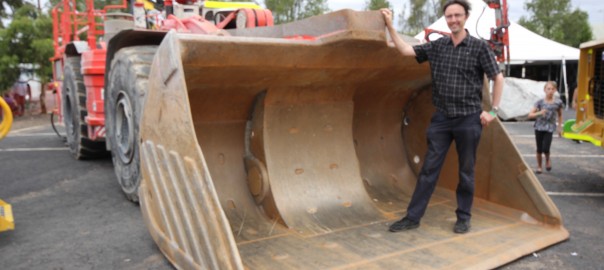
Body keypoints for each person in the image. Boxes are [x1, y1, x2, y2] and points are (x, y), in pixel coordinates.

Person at [381, 0, 504, 234]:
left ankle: (463, 217)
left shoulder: (479, 48)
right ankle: (412, 217)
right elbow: (406, 50)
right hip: (442, 119)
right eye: (449, 16)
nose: (453, 20)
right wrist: (390, 26)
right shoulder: (438, 46)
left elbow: (497, 77)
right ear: (445, 19)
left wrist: (493, 111)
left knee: (466, 172)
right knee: (429, 169)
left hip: (469, 119)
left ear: (466, 16)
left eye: (457, 15)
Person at [527, 81, 563, 174]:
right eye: (548, 89)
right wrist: (539, 113)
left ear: (555, 90)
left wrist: (560, 127)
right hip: (539, 127)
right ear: (545, 90)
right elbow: (530, 115)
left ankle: (547, 159)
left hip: (549, 127)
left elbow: (560, 115)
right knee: (539, 148)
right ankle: (539, 166)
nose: (550, 91)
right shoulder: (540, 102)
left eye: (552, 89)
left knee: (546, 148)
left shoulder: (558, 102)